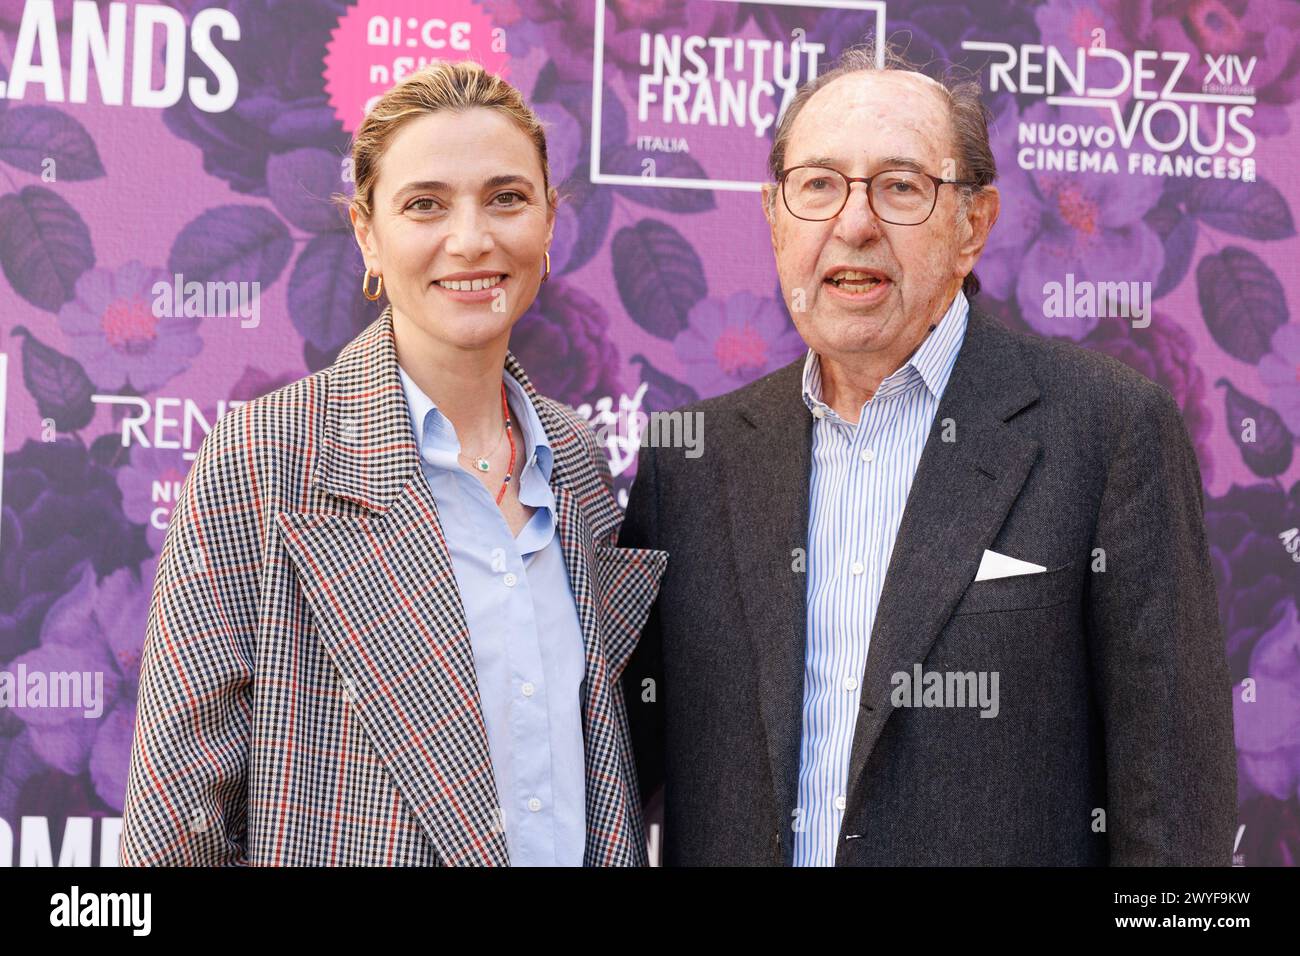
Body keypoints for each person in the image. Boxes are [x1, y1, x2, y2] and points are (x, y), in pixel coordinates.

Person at [619, 42, 1237, 866]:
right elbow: (610, 770)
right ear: (774, 216)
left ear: (972, 226)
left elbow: (1175, 809)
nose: (854, 223)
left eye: (902, 187)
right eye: (818, 185)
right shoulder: (688, 464)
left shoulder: (1111, 432)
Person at [120, 61, 665, 867]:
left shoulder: (577, 462)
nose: (472, 237)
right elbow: (175, 833)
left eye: (507, 198)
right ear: (367, 233)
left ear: (550, 225)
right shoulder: (266, 460)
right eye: (425, 205)